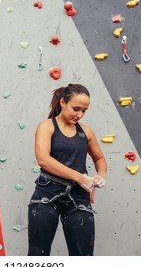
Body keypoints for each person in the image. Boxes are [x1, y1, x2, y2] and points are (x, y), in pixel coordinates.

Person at [28, 84, 107, 256]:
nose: (80, 115)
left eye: (84, 111)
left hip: (78, 197)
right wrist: (79, 177)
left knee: (83, 257)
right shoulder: (46, 126)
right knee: (37, 255)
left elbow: (99, 159)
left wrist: (101, 175)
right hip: (47, 195)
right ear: (63, 102)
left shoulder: (86, 132)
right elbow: (44, 160)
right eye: (76, 109)